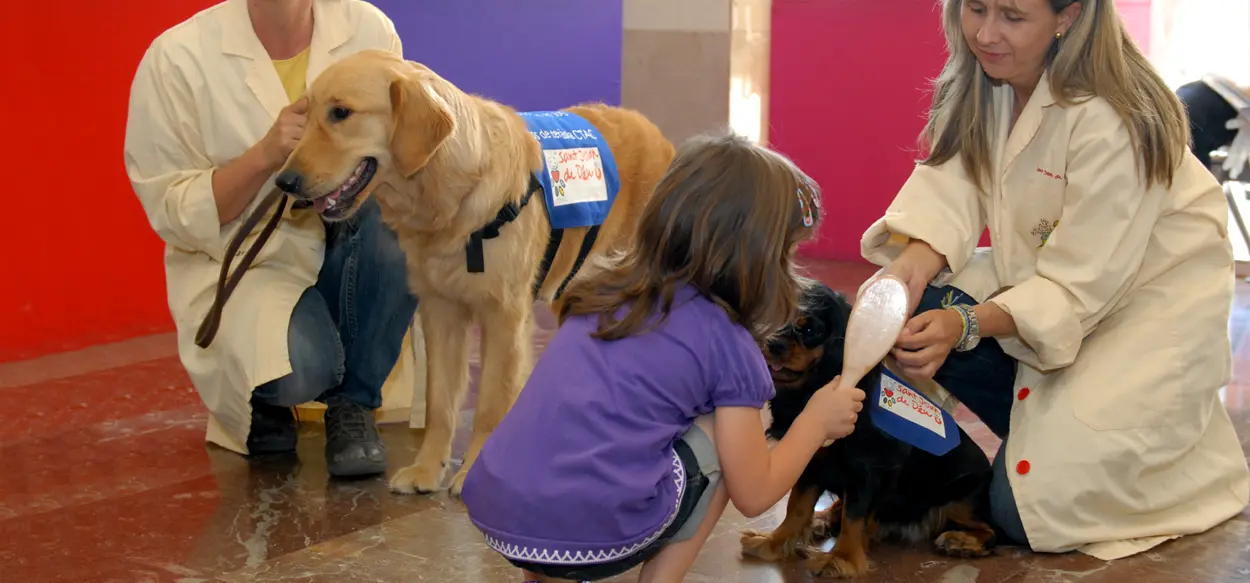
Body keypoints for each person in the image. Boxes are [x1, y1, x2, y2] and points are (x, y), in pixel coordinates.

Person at [859, 0, 1250, 562]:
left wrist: (964, 323)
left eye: (1013, 17)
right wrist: (907, 271)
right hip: (1057, 299)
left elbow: (1078, 287)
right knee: (916, 305)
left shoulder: (1115, 118)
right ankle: (1035, 434)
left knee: (1021, 513)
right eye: (976, 9)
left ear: (1068, 16)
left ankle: (1175, 465)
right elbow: (953, 184)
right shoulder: (986, 84)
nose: (986, 33)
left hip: (1141, 319)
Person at [459, 133, 866, 583]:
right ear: (758, 258)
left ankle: (544, 575)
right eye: (786, 251)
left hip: (502, 513)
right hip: (586, 534)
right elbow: (755, 492)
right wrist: (815, 423)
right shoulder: (729, 345)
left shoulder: (602, 292)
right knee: (724, 440)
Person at [123, 0, 420, 477]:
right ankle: (265, 397)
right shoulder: (176, 57)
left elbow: (397, 151)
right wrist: (265, 155)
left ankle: (353, 406)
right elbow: (172, 211)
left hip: (353, 241)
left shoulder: (368, 27)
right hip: (246, 256)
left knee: (398, 224)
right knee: (304, 368)